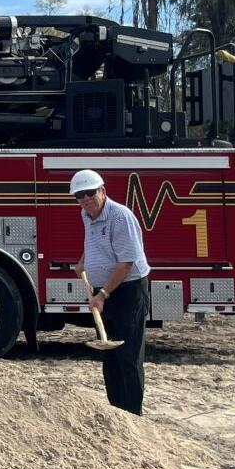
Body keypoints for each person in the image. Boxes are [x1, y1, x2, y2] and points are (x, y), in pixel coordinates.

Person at [71, 169, 151, 415]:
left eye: (89, 193)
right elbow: (94, 243)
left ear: (102, 191)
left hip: (127, 291)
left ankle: (132, 415)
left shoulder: (120, 217)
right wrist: (84, 261)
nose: (85, 199)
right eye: (79, 195)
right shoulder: (87, 215)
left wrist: (102, 295)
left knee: (128, 355)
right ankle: (116, 411)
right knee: (110, 355)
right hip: (104, 291)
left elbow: (127, 263)